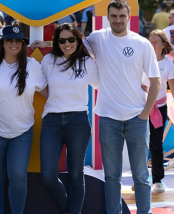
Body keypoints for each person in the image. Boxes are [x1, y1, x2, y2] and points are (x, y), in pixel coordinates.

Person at [33, 0, 160, 214]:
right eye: (113, 16)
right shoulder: (97, 38)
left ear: (129, 16)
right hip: (108, 117)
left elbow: (155, 81)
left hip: (136, 117)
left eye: (122, 16)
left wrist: (144, 114)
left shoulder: (142, 43)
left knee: (140, 175)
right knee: (112, 176)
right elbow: (71, 42)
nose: (118, 20)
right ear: (107, 17)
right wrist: (45, 45)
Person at [0, 25, 48, 214]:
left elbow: (49, 94)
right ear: (1, 43)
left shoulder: (33, 66)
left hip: (22, 131)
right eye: (9, 40)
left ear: (23, 44)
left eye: (18, 41)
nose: (14, 44)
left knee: (18, 176)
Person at [40, 23, 99, 214]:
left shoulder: (88, 63)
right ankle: (69, 209)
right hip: (52, 121)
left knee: (76, 174)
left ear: (78, 40)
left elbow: (104, 85)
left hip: (78, 121)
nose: (67, 44)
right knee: (48, 175)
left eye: (71, 39)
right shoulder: (49, 60)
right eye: (62, 40)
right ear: (57, 42)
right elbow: (42, 88)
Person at [144, 29, 174, 194]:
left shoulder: (168, 64)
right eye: (150, 41)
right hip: (139, 106)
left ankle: (157, 180)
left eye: (156, 41)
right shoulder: (142, 60)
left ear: (163, 45)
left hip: (159, 108)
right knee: (139, 144)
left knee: (156, 144)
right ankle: (140, 179)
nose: (152, 44)